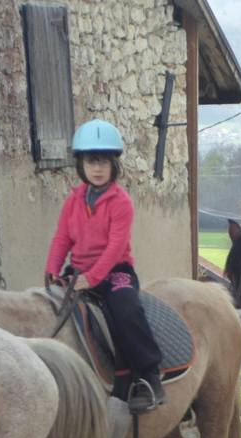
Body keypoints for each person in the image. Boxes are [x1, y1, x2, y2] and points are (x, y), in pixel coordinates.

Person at [45, 118, 165, 413]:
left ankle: (149, 375)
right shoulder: (73, 201)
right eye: (91, 161)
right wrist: (52, 269)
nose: (97, 168)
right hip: (79, 272)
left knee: (126, 310)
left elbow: (114, 248)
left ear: (114, 165)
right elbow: (62, 237)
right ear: (81, 165)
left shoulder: (121, 202)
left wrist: (94, 277)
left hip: (114, 273)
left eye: (103, 161)